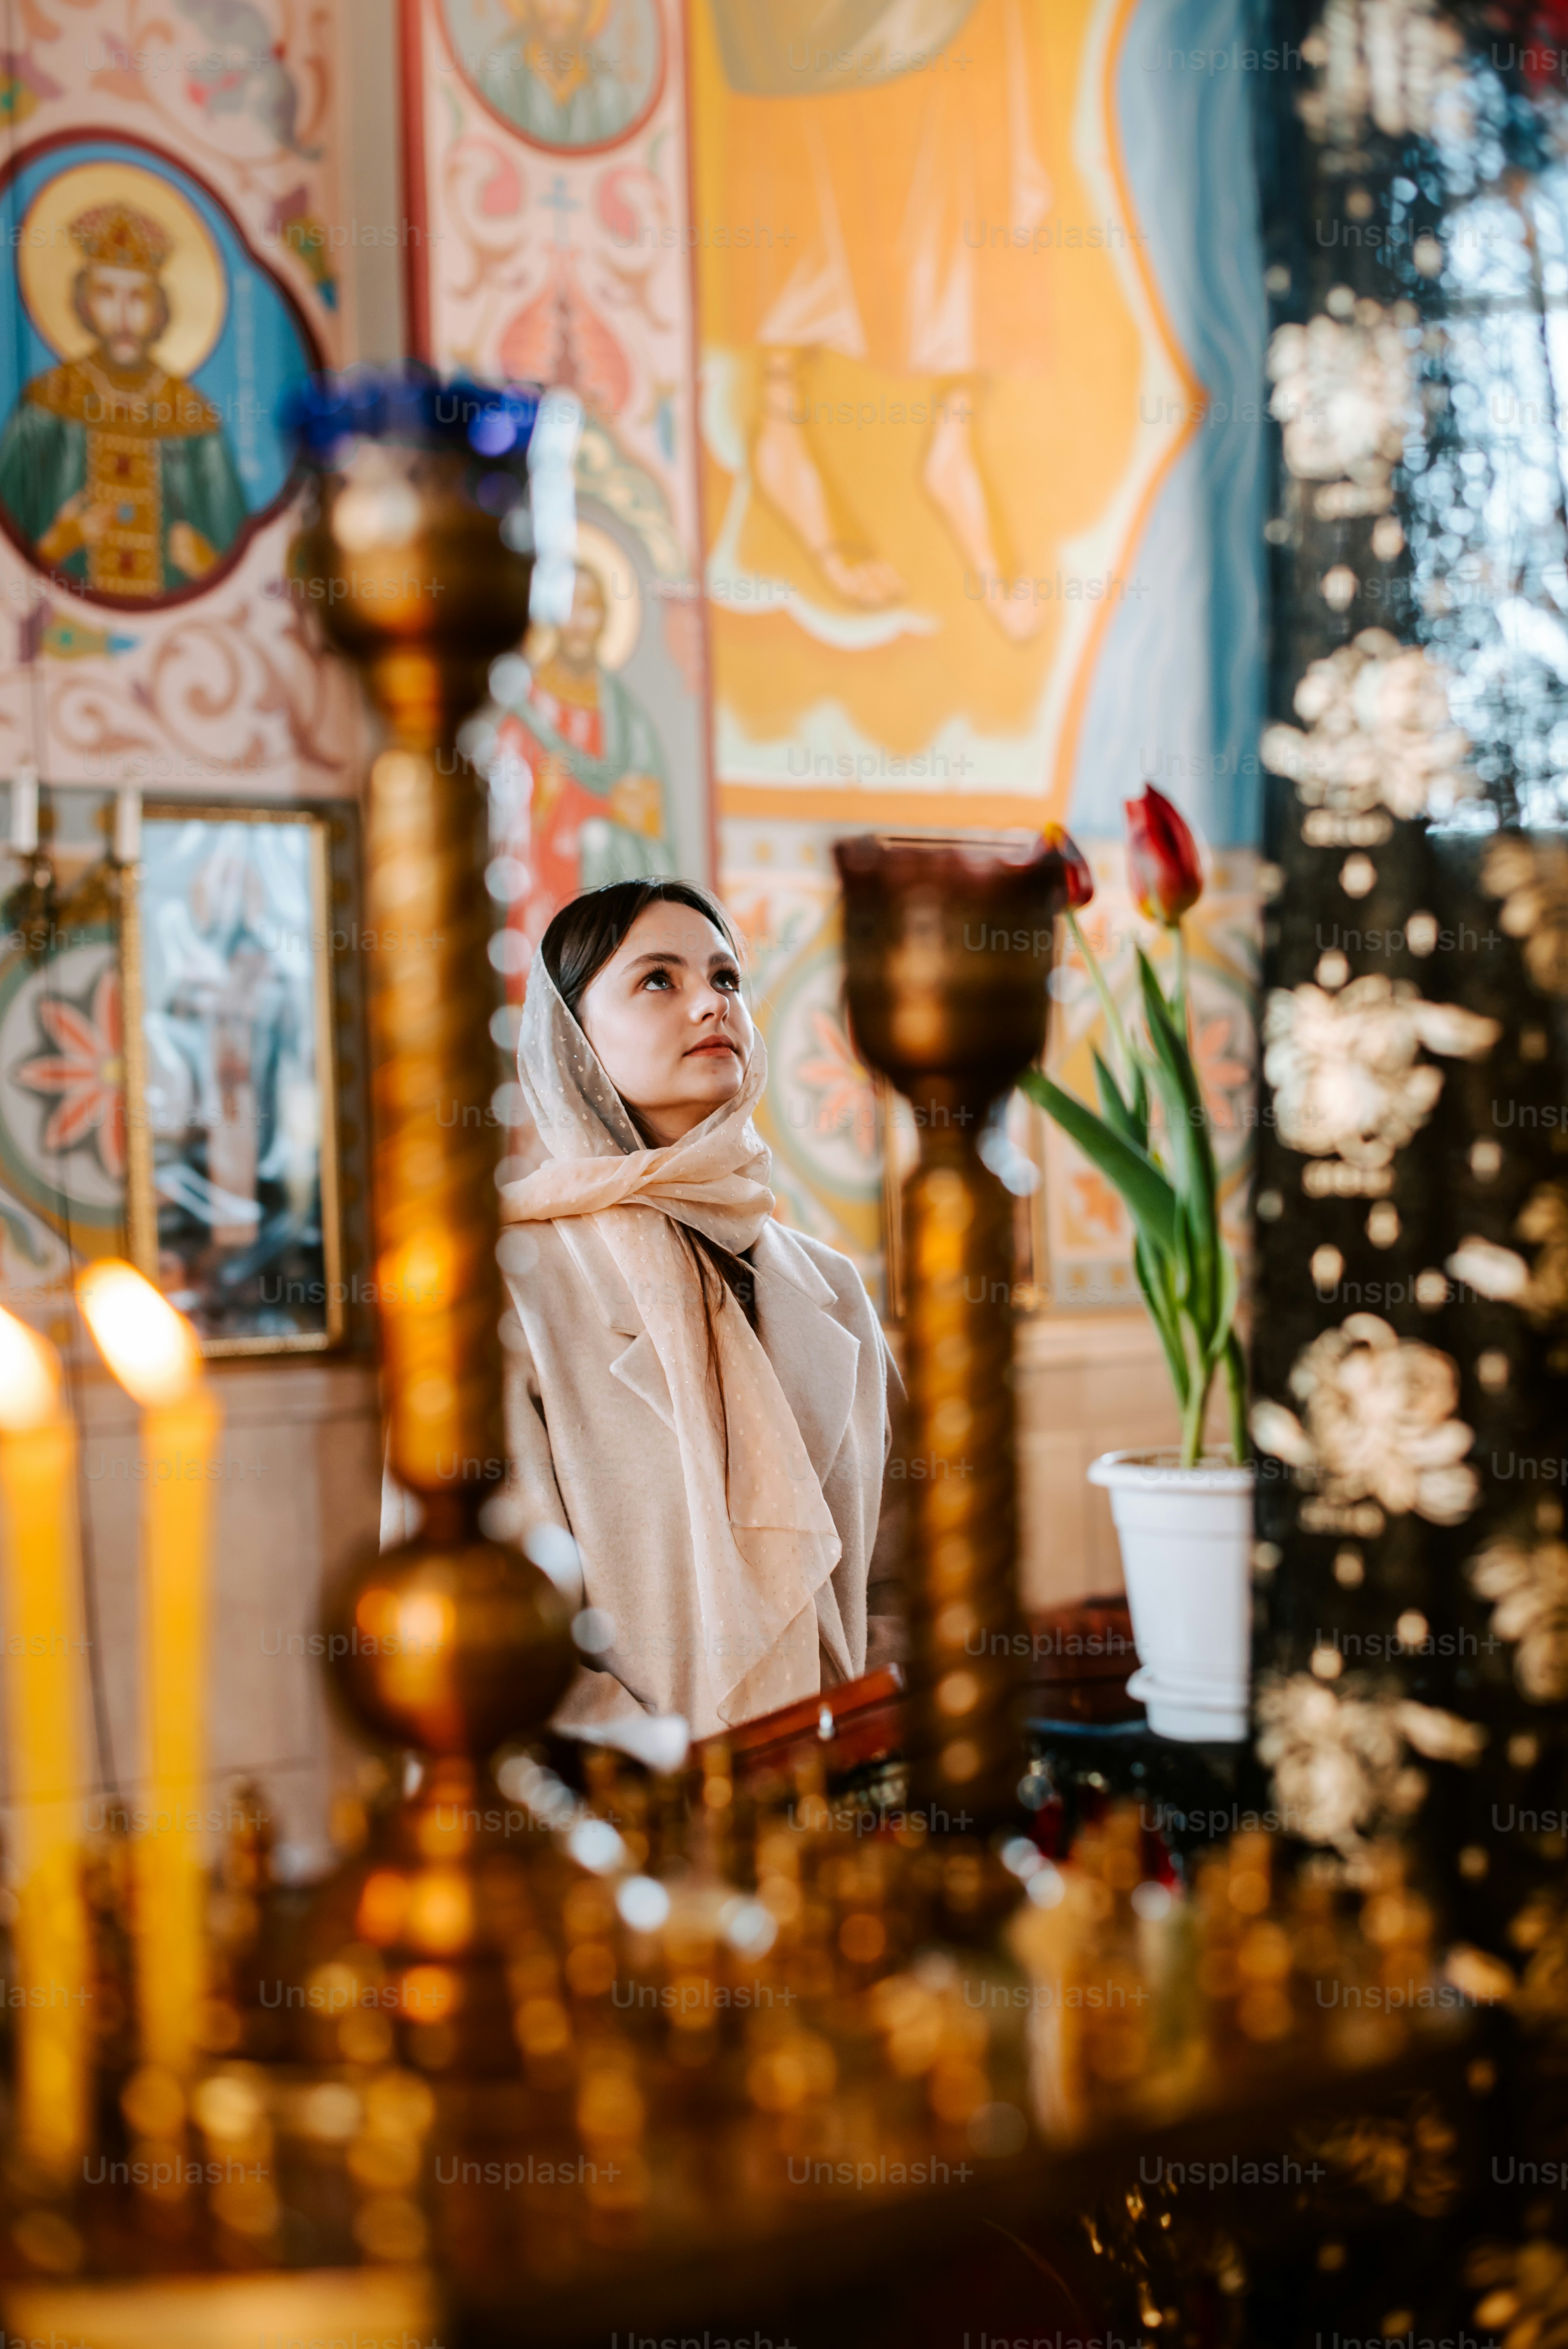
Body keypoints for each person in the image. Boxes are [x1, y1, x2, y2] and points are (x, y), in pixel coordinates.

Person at [499, 878, 902, 1737]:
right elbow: (495, 1623)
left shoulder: (830, 1286)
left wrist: (869, 1730)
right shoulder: (514, 1289)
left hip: (843, 1806)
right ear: (573, 1039)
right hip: (635, 1822)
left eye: (726, 978)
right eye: (658, 978)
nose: (710, 1004)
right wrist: (664, 1770)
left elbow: (910, 1563)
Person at [0, 200, 248, 600]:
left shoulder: (192, 415)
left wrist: (206, 564)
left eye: (138, 297)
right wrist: (58, 544)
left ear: (159, 307)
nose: (123, 317)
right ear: (85, 303)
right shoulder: (47, 403)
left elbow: (240, 555)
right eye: (106, 294)